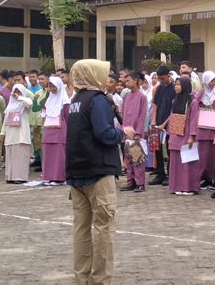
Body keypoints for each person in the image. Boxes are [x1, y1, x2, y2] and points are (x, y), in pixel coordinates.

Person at [65, 60, 123, 285]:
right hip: (99, 172)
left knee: (81, 230)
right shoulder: (97, 100)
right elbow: (104, 133)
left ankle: (81, 278)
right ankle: (100, 280)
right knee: (103, 230)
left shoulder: (75, 100)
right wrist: (122, 133)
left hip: (77, 173)